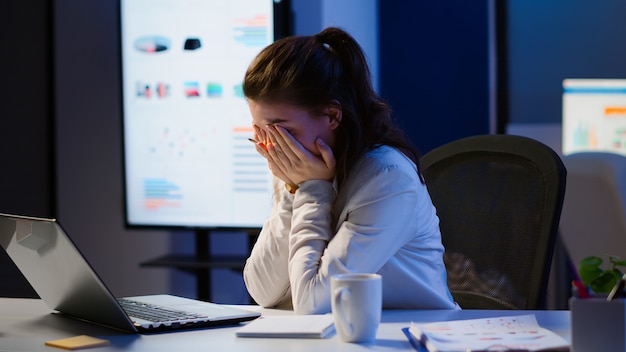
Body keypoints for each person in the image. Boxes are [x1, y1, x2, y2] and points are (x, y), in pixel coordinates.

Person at [242, 27, 458, 314]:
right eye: (262, 132)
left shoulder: (388, 178)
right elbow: (262, 291)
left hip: (407, 338)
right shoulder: (299, 168)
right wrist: (294, 192)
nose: (273, 146)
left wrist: (312, 191)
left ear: (332, 115)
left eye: (283, 131)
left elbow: (311, 303)